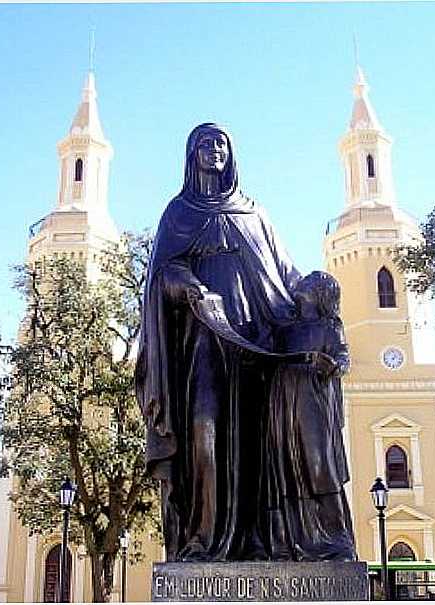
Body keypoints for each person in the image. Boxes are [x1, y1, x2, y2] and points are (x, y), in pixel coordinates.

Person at [135, 123, 302, 561]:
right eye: (206, 143)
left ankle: (260, 539)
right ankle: (204, 537)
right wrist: (185, 283)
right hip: (203, 341)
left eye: (222, 143)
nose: (215, 149)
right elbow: (161, 275)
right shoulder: (179, 213)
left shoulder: (254, 213)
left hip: (254, 341)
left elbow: (287, 275)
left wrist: (315, 298)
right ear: (191, 155)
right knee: (202, 432)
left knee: (257, 440)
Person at [264, 271, 357, 561]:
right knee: (285, 467)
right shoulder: (285, 330)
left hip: (313, 401)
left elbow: (343, 359)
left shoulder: (330, 327)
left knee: (318, 465)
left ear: (321, 293)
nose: (303, 280)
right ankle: (287, 542)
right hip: (283, 401)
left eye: (312, 279)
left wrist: (331, 365)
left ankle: (335, 537)